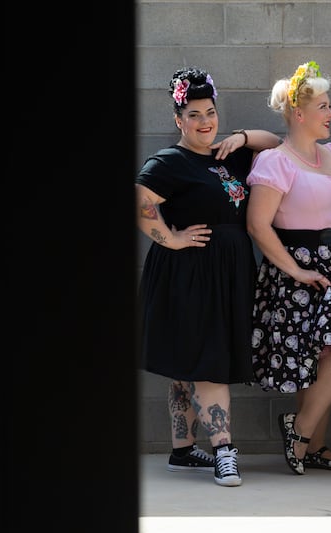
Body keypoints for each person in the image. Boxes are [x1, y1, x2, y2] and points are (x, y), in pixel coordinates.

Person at [136, 66, 282, 487]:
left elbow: (275, 143)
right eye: (195, 115)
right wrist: (172, 238)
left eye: (210, 113)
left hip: (230, 270)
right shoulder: (170, 161)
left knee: (189, 364)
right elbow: (141, 201)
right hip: (191, 273)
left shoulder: (227, 154)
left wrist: (239, 136)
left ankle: (183, 451)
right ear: (179, 120)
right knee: (208, 362)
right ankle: (224, 451)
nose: (205, 122)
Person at [246, 61, 331, 475]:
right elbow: (257, 225)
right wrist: (297, 271)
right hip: (299, 271)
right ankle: (308, 438)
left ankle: (305, 435)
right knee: (321, 353)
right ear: (299, 114)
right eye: (323, 107)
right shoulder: (276, 162)